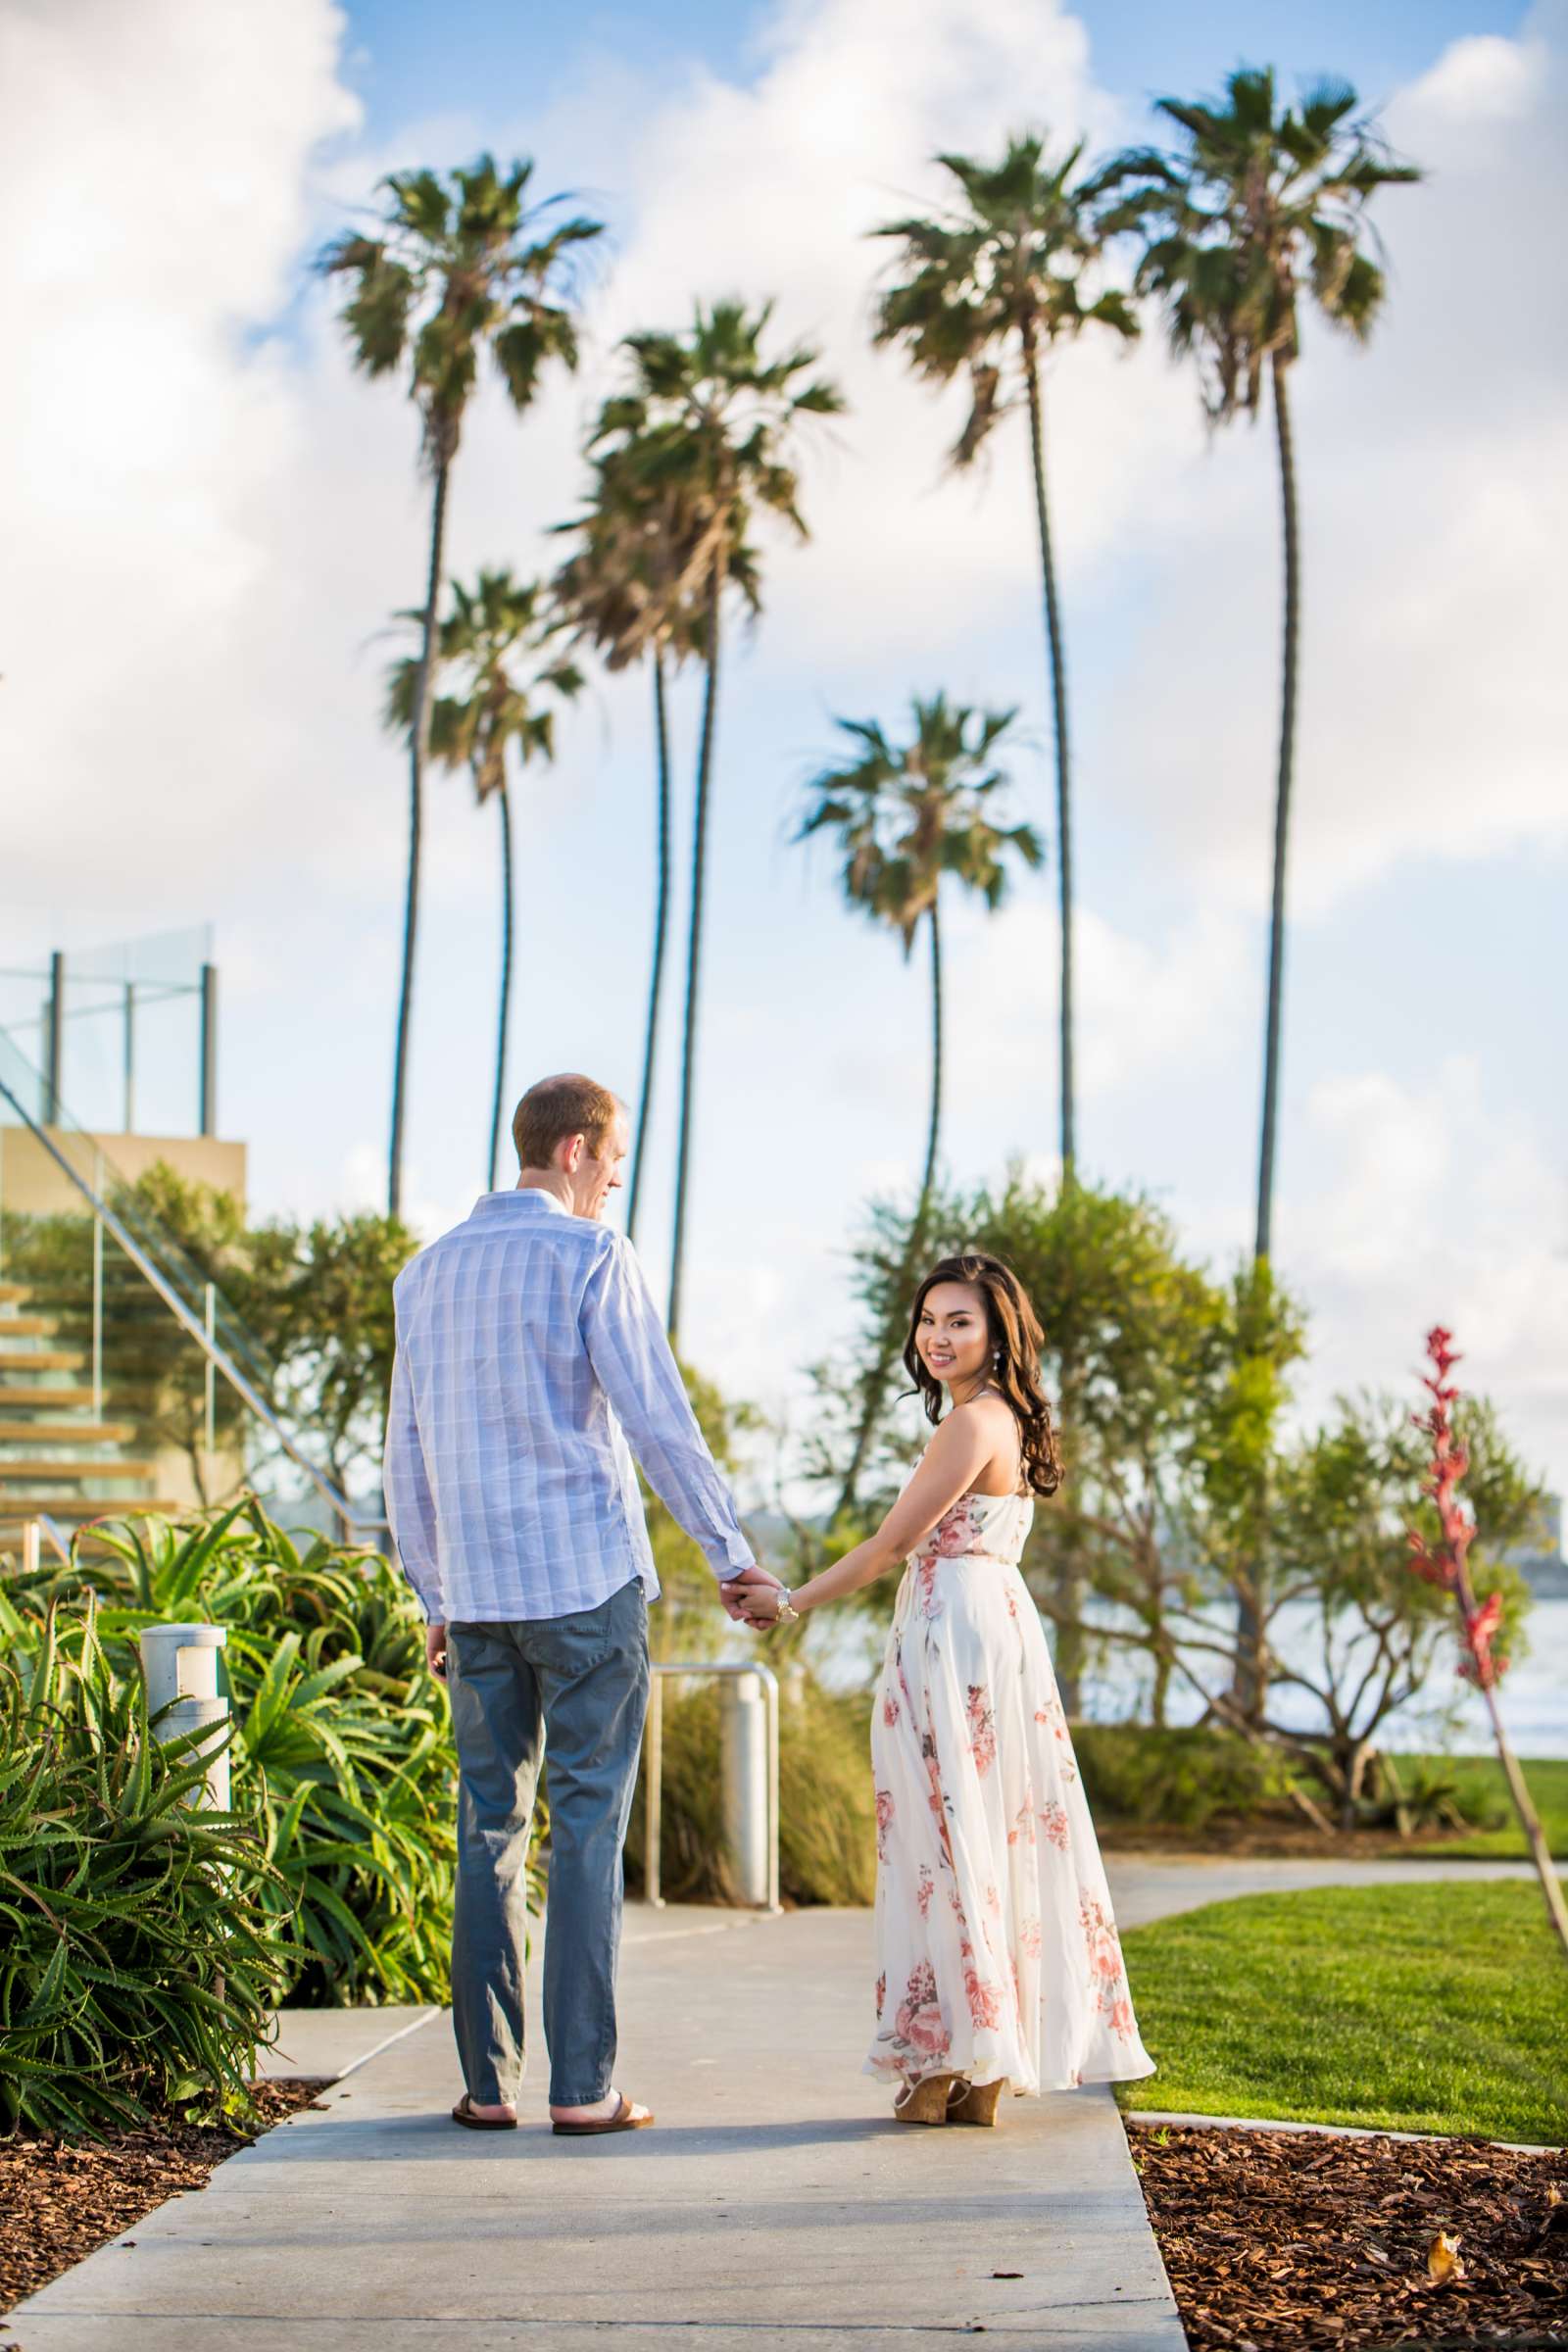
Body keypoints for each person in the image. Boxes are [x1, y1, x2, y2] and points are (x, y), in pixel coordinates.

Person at [383, 1072, 779, 2137]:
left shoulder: (422, 1277)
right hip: (584, 1590)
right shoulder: (590, 1254)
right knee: (589, 1831)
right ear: (572, 1152)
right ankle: (583, 2090)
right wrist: (730, 1554)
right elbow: (656, 1419)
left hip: (477, 1606)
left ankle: (484, 2087)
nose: (613, 1182)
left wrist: (435, 1595)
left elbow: (404, 1462)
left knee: (487, 1835)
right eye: (610, 1160)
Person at [739, 1250, 1154, 2125]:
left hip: (953, 1635)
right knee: (980, 1831)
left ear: (997, 1332)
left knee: (944, 1838)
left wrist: (788, 1603)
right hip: (986, 1625)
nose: (937, 1336)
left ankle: (946, 2061)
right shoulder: (1001, 1417)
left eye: (959, 1321)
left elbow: (892, 1545)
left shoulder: (969, 1426)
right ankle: (982, 2064)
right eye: (929, 1320)